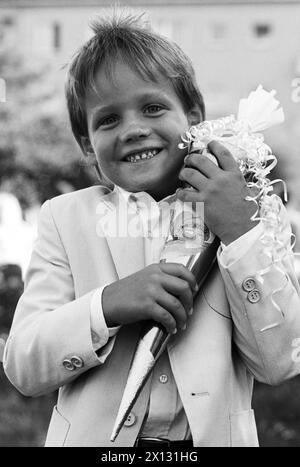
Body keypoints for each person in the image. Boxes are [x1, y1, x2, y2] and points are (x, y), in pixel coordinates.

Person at [3, 13, 300, 448]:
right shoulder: (64, 219)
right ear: (87, 145)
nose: (134, 129)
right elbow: (24, 368)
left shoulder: (246, 210)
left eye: (153, 107)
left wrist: (240, 234)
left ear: (193, 116)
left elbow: (280, 362)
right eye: (107, 120)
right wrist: (105, 306)